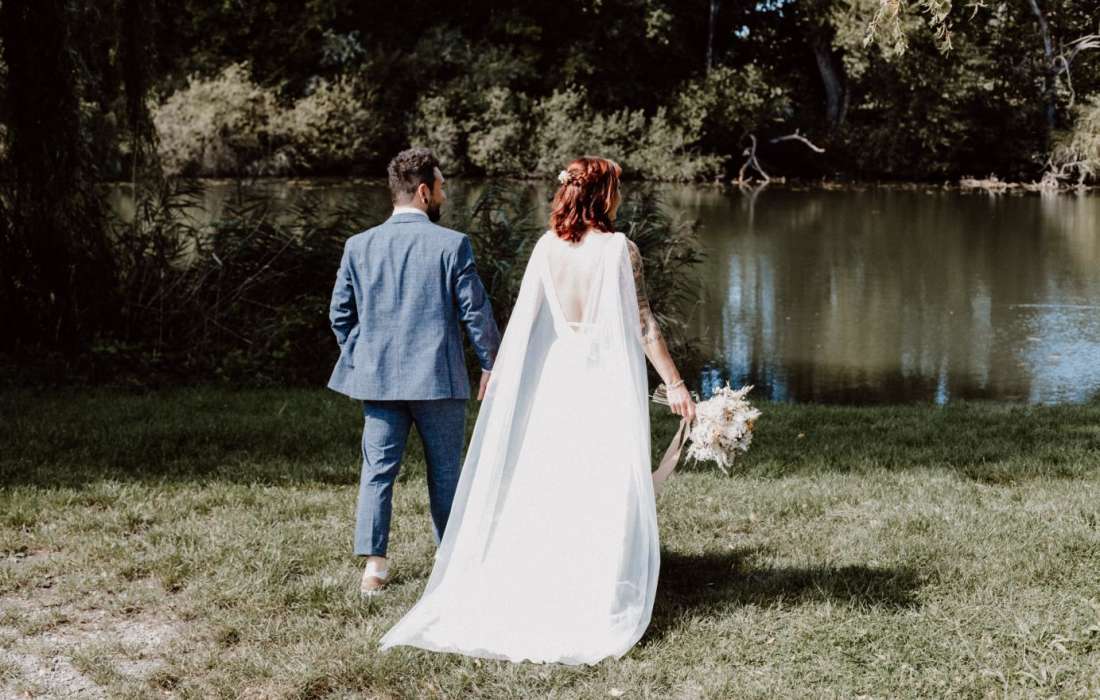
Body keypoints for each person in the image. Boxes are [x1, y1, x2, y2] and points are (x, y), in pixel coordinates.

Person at [377, 156, 696, 665]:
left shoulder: (547, 247)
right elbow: (644, 325)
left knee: (556, 478)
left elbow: (525, 323)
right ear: (601, 195)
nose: (619, 197)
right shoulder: (620, 248)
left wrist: (501, 376)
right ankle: (595, 585)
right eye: (616, 188)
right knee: (602, 478)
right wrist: (675, 385)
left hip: (558, 381)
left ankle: (548, 574)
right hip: (603, 379)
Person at [326, 147, 501, 597]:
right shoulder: (452, 244)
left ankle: (375, 567)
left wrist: (362, 355)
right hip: (438, 381)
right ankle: (450, 560)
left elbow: (340, 314)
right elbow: (475, 312)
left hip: (379, 380)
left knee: (378, 470)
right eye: (441, 187)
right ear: (424, 192)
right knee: (446, 472)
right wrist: (491, 363)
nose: (444, 195)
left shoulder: (359, 245)